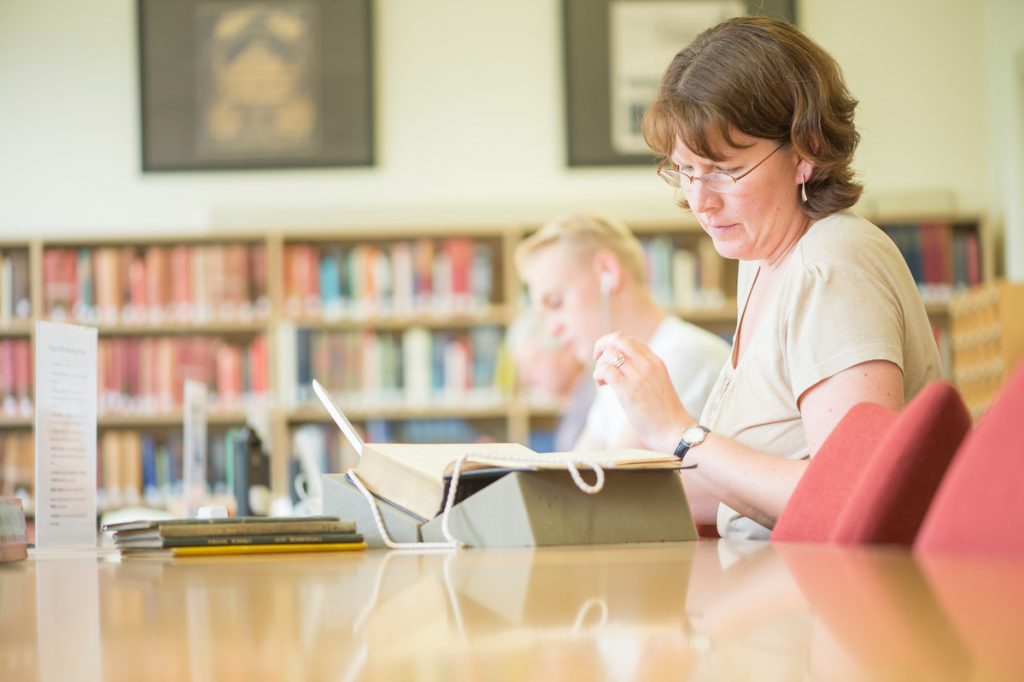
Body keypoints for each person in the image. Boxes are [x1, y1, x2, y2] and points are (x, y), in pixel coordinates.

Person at [590, 16, 942, 539]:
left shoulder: (830, 266)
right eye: (685, 170)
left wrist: (676, 431)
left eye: (725, 170)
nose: (700, 201)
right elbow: (745, 489)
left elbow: (852, 498)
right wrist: (585, 493)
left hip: (830, 608)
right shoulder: (760, 259)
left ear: (805, 152)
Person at [516, 213, 731, 451]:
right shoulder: (620, 371)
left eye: (556, 303)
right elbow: (574, 473)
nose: (552, 329)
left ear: (608, 272)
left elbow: (612, 484)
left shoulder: (683, 355)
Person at [506, 309, 595, 451]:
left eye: (534, 361)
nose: (526, 378)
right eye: (522, 368)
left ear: (567, 349)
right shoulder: (573, 406)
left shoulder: (594, 404)